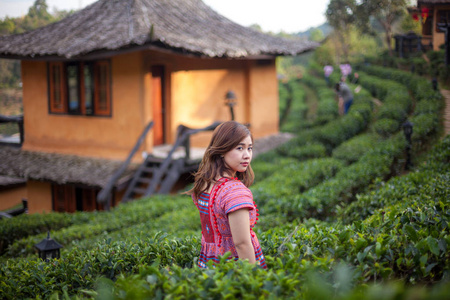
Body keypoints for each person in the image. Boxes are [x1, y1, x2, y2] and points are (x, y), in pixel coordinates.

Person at [187, 121, 267, 269]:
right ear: (222, 150)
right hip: (234, 264)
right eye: (239, 148)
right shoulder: (234, 192)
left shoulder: (205, 184)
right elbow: (242, 244)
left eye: (249, 148)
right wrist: (254, 279)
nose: (247, 155)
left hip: (210, 261)